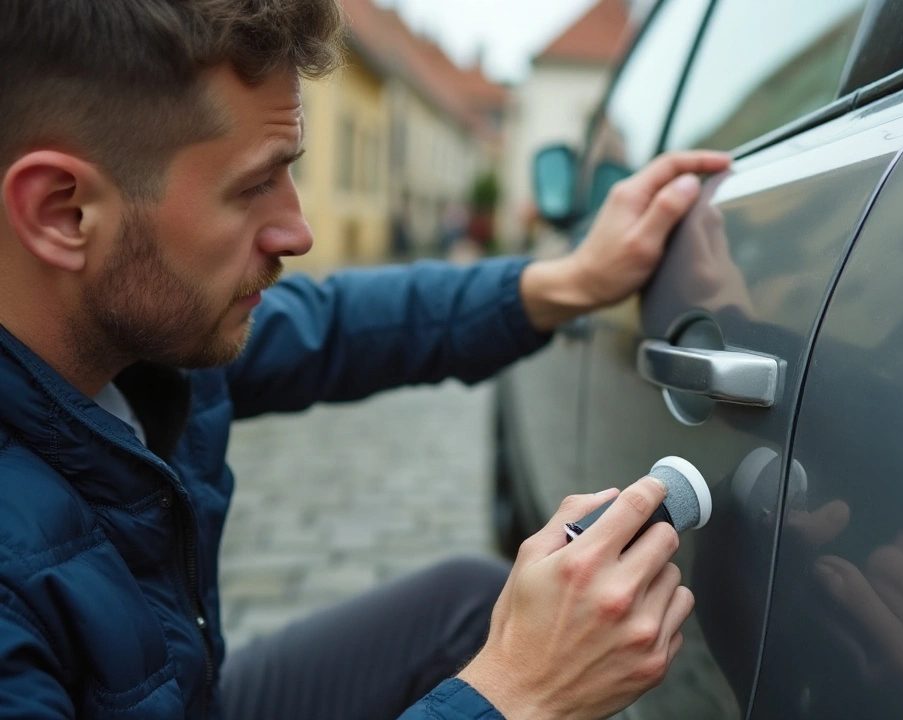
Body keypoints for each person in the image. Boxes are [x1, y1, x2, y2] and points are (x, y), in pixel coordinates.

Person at [0, 2, 732, 719]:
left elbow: (339, 325)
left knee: (468, 607)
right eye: (254, 185)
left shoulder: (140, 348)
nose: (298, 231)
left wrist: (569, 282)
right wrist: (517, 697)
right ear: (62, 212)